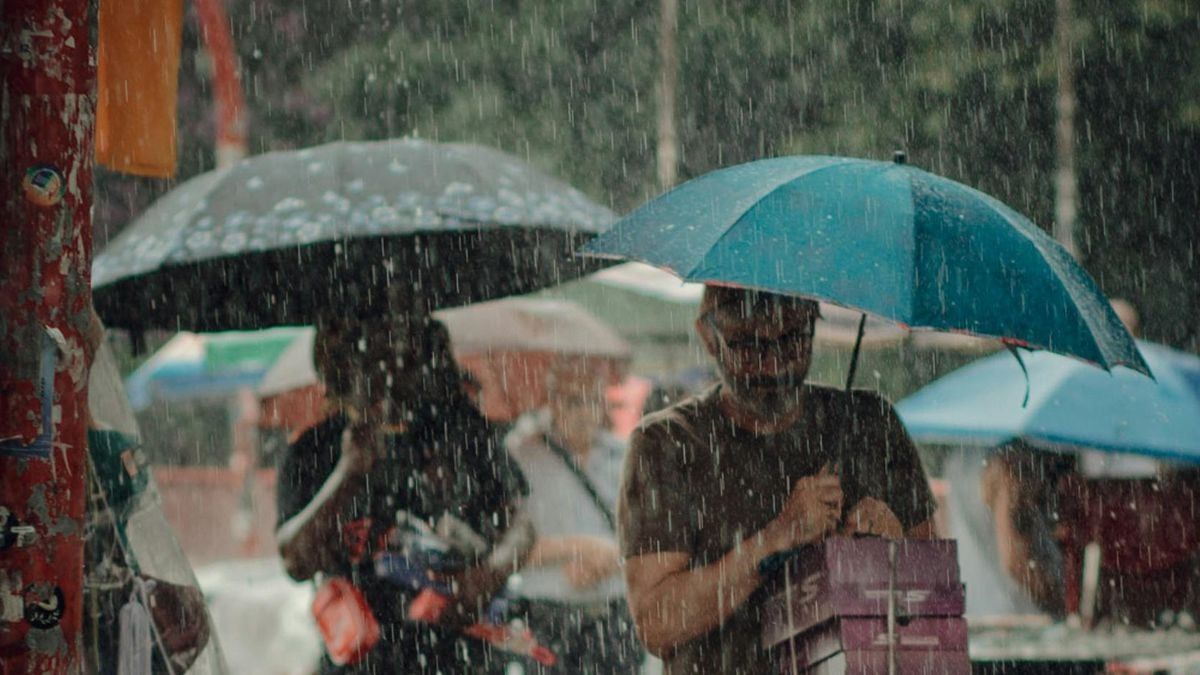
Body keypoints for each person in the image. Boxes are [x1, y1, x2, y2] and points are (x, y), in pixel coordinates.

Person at [618, 286, 937, 674]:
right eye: (747, 346)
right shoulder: (669, 443)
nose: (771, 365)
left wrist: (893, 551)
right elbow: (658, 624)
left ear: (813, 324)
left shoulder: (870, 424)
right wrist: (776, 538)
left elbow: (933, 603)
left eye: (791, 341)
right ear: (708, 336)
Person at [275, 311, 535, 674]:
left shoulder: (458, 429)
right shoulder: (314, 450)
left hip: (461, 659)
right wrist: (349, 473)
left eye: (401, 353)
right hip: (362, 661)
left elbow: (522, 522)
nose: (389, 371)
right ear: (340, 368)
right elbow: (295, 560)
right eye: (371, 357)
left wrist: (488, 575)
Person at [503, 362, 642, 674]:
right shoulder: (522, 458)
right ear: (552, 402)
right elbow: (504, 547)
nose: (584, 411)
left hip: (614, 618)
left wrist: (611, 558)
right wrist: (578, 548)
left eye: (592, 399)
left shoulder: (625, 458)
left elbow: (652, 537)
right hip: (547, 618)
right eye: (572, 401)